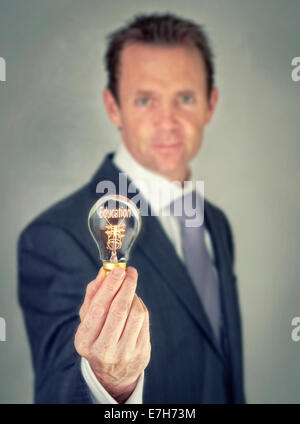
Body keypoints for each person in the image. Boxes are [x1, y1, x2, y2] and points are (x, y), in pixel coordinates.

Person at [17, 13, 246, 404]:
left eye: (185, 98)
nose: (167, 122)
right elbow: (60, 390)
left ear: (211, 103)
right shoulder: (55, 237)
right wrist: (110, 383)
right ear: (113, 107)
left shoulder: (215, 224)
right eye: (144, 100)